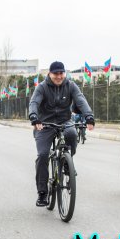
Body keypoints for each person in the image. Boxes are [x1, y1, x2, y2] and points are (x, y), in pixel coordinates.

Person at [28, 61, 95, 206]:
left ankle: (66, 162)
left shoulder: (70, 85)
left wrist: (89, 116)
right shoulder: (42, 87)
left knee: (72, 134)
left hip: (65, 121)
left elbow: (80, 100)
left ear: (64, 73)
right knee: (43, 155)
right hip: (44, 124)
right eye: (55, 73)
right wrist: (34, 117)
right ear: (50, 74)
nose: (59, 76)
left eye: (61, 73)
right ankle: (42, 193)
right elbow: (34, 103)